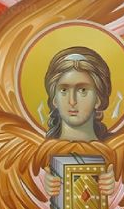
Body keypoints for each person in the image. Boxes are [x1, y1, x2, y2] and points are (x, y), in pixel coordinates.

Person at [41, 47, 116, 197]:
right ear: (54, 99)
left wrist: (118, 184)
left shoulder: (117, 152)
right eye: (64, 90)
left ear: (98, 99)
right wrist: (42, 184)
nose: (72, 101)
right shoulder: (42, 153)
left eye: (82, 90)